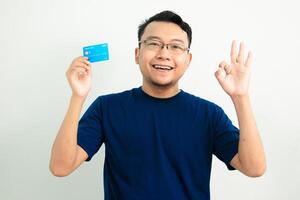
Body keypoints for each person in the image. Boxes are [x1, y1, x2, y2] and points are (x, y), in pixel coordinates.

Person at [49, 10, 266, 200]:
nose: (163, 53)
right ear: (137, 54)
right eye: (153, 43)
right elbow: (61, 166)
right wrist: (77, 96)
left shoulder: (208, 114)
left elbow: (254, 168)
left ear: (188, 60)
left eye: (175, 47)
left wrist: (241, 97)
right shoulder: (107, 107)